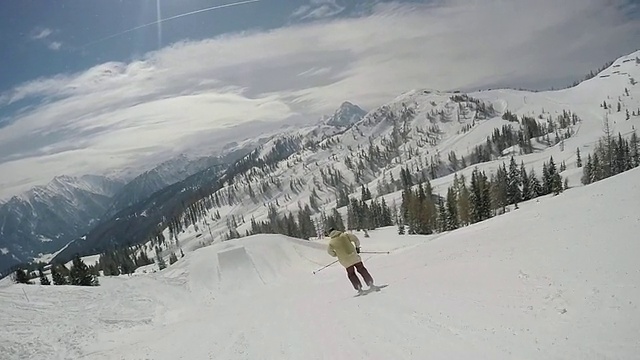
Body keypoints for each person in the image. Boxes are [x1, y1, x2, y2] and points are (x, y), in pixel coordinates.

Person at [326, 228, 376, 294]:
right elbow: (355, 239)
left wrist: (336, 254)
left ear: (330, 233)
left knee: (351, 274)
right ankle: (370, 283)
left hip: (345, 261)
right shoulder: (345, 235)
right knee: (362, 269)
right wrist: (357, 248)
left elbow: (329, 252)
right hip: (354, 256)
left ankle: (358, 287)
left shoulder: (331, 242)